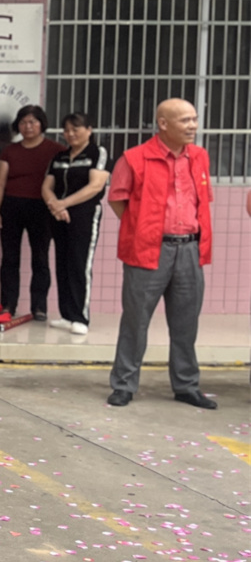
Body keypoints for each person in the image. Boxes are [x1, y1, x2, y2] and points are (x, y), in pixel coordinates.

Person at [106, 99, 216, 410]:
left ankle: (186, 385)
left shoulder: (199, 156)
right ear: (163, 124)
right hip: (148, 250)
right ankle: (124, 385)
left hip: (190, 249)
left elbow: (202, 200)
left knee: (186, 323)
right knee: (135, 321)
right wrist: (142, 229)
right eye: (185, 120)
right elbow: (117, 199)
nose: (193, 126)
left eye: (194, 119)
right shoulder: (134, 158)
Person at [0, 105, 65, 322]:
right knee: (9, 259)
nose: (28, 126)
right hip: (12, 207)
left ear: (42, 124)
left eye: (33, 122)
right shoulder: (10, 151)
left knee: (40, 259)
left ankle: (39, 307)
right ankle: (8, 305)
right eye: (23, 122)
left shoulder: (56, 150)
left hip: (42, 208)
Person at [42, 112, 110, 335]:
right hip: (58, 215)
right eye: (67, 130)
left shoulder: (97, 153)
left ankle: (80, 317)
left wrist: (63, 203)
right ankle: (66, 315)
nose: (70, 134)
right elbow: (46, 186)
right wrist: (55, 206)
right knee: (62, 263)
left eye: (76, 129)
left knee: (80, 264)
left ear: (89, 130)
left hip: (84, 215)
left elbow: (95, 186)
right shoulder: (59, 156)